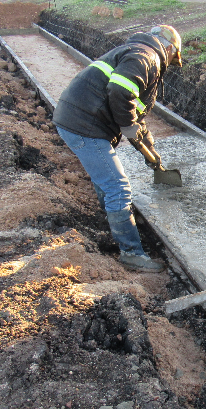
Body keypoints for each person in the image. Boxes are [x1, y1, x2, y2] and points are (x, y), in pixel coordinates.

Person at [53, 25, 183, 272]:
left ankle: (111, 216)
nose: (169, 64)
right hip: (84, 124)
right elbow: (120, 91)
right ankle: (131, 253)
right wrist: (128, 124)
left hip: (77, 118)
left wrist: (147, 145)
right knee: (118, 186)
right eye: (172, 57)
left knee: (106, 177)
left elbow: (131, 104)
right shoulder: (148, 58)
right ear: (168, 48)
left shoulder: (136, 50)